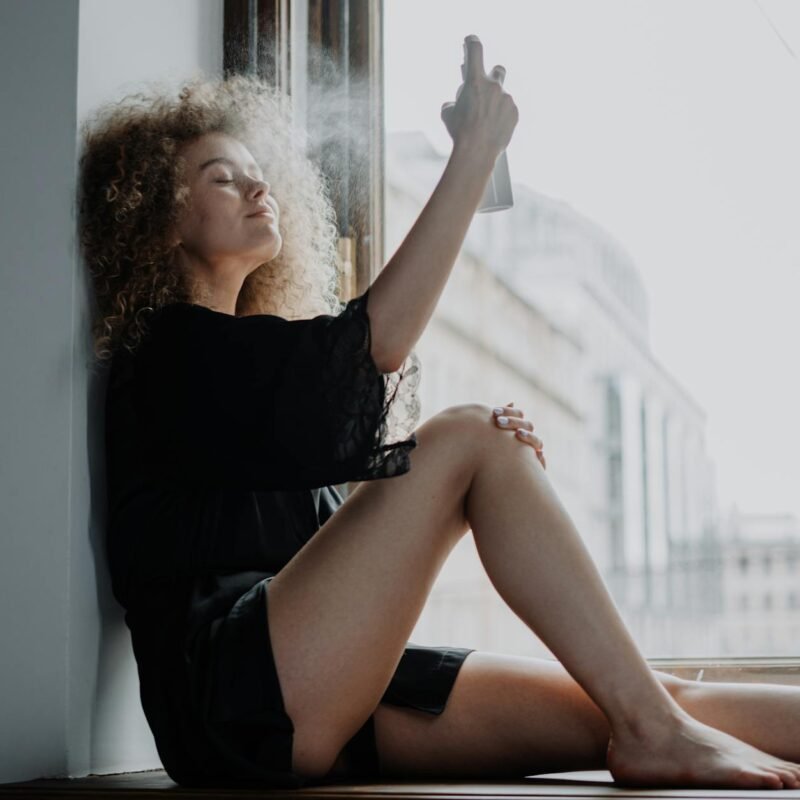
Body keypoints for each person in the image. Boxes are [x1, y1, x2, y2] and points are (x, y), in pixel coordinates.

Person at [78, 38, 800, 791]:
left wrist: (477, 479)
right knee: (467, 436)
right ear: (161, 219)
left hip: (316, 683)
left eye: (261, 177)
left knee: (639, 696)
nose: (259, 191)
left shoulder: (250, 376)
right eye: (223, 180)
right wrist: (475, 155)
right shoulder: (168, 351)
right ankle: (656, 731)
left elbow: (334, 540)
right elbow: (377, 346)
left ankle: (654, 723)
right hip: (229, 699)